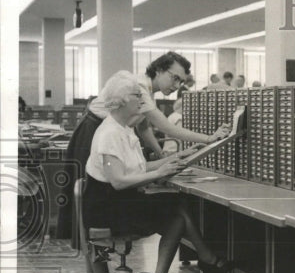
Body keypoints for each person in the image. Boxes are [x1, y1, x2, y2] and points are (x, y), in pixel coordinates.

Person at [82, 74, 234, 273]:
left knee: (178, 206)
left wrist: (177, 157)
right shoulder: (109, 133)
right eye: (136, 95)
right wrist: (160, 172)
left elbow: (137, 167)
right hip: (107, 210)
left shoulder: (123, 129)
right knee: (177, 215)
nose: (141, 99)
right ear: (122, 100)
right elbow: (119, 181)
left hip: (117, 203)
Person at [56, 52, 230, 240]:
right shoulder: (138, 89)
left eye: (181, 82)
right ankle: (97, 248)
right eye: (175, 78)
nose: (177, 86)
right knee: (95, 193)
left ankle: (101, 251)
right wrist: (209, 139)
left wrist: (161, 153)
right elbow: (166, 127)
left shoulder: (145, 94)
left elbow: (144, 127)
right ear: (159, 70)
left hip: (106, 133)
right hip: (95, 132)